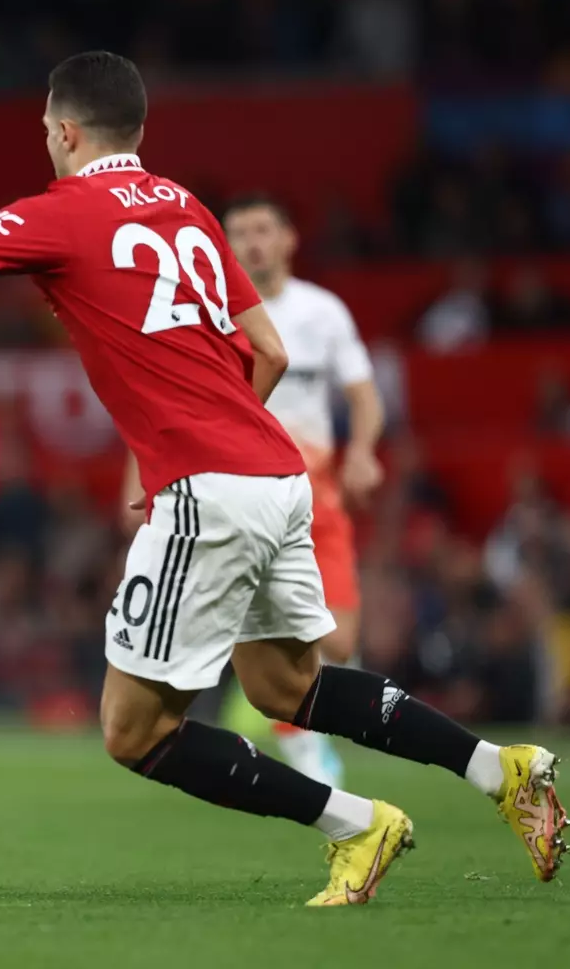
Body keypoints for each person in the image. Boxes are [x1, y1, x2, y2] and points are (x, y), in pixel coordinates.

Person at [0, 50, 570, 905]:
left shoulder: (62, 212)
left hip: (215, 492)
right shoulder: (188, 210)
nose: (45, 141)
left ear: (68, 130)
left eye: (45, 128)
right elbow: (269, 350)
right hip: (280, 475)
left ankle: (356, 824)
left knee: (133, 731)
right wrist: (220, 432)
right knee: (285, 686)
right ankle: (502, 767)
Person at [218, 193, 385, 787]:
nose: (252, 242)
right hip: (247, 500)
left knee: (340, 642)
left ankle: (311, 724)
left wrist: (362, 451)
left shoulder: (323, 312)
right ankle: (310, 756)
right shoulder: (213, 312)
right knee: (276, 636)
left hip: (318, 499)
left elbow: (364, 396)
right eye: (238, 232)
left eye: (263, 229)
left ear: (288, 238)